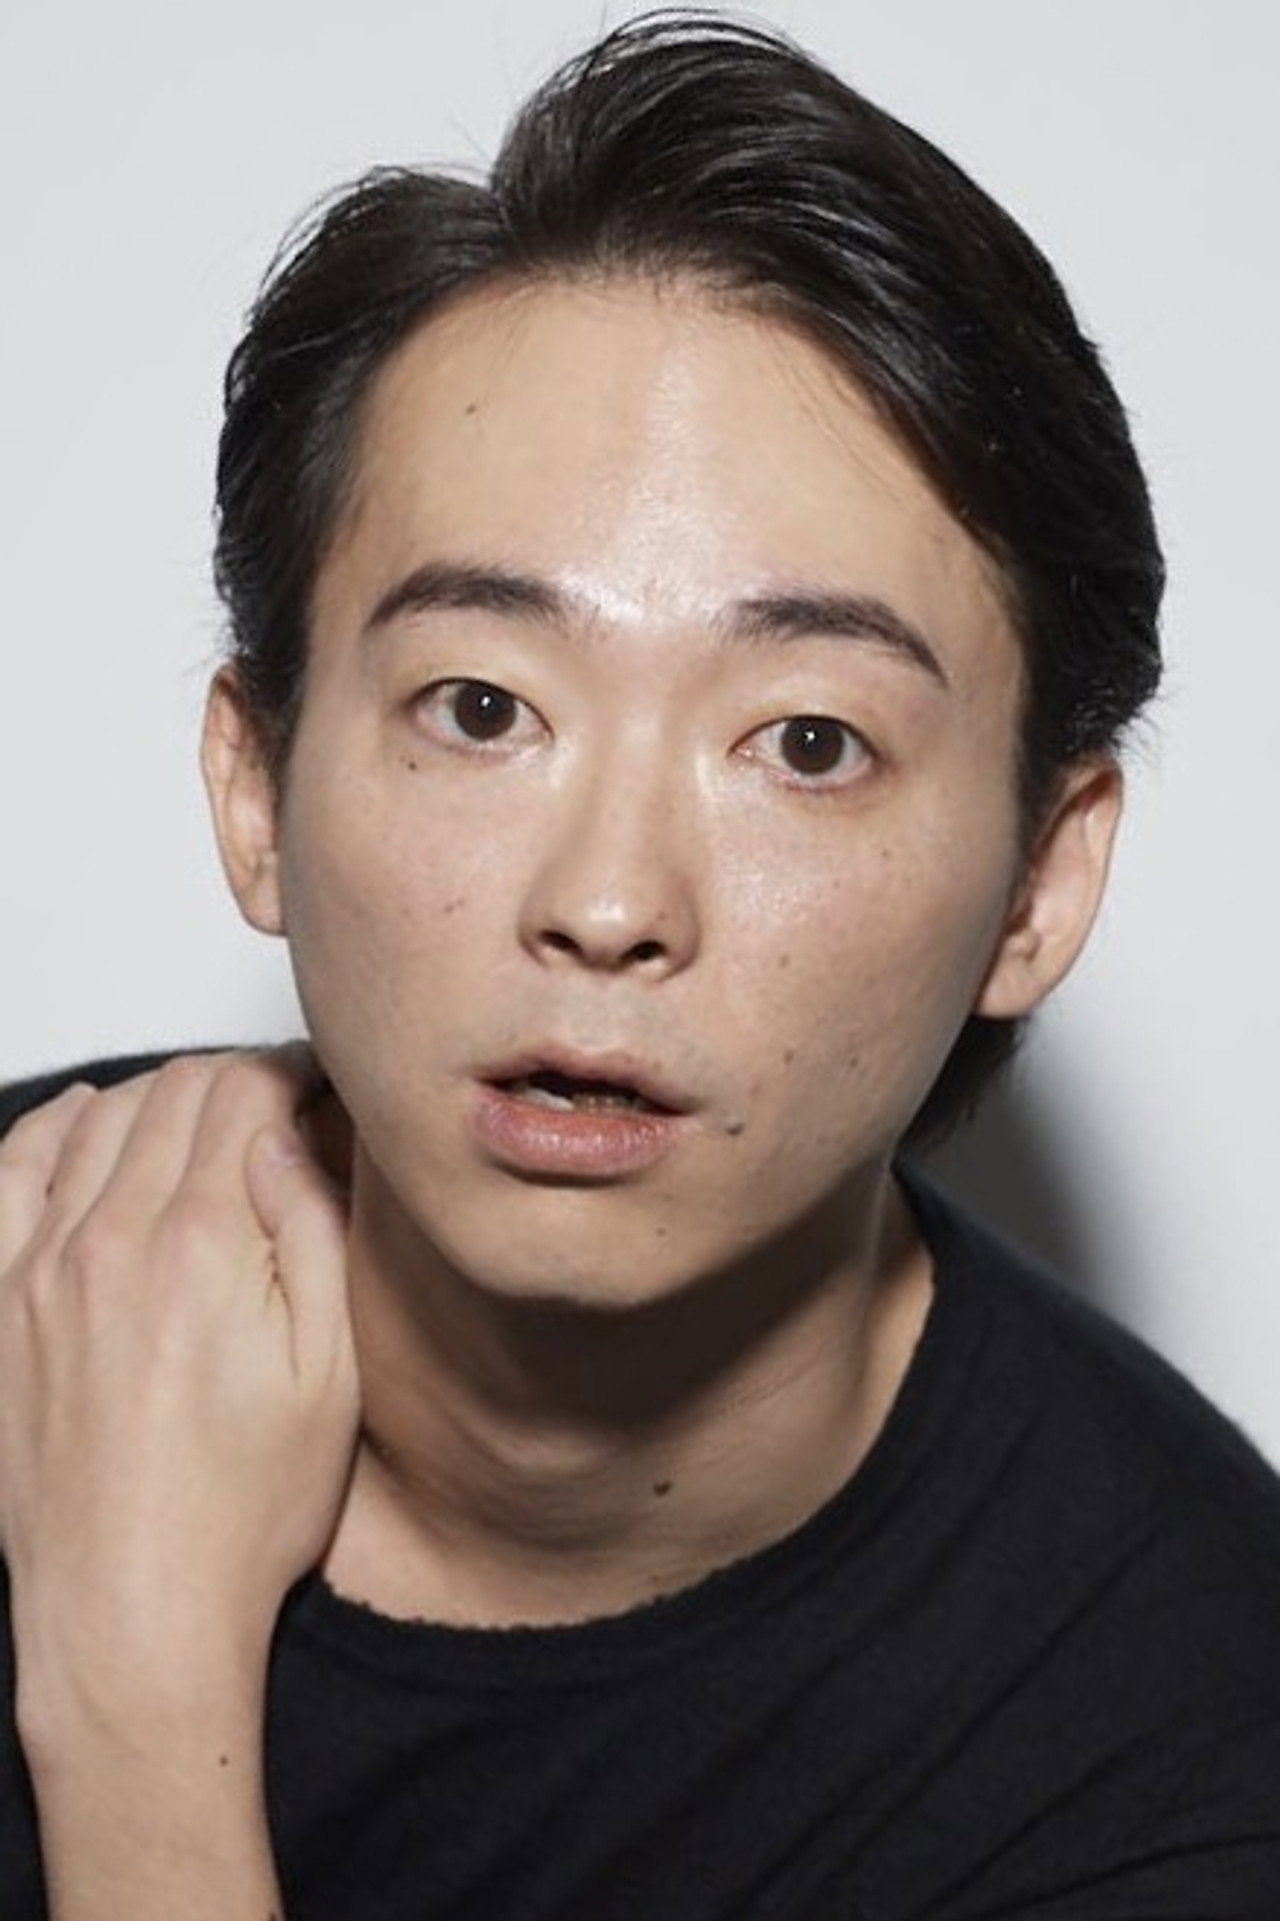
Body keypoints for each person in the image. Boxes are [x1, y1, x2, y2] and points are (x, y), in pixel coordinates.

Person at [1, 11, 1278, 1916]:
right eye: (482, 705)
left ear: (1040, 879)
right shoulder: (28, 1273)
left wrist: (132, 1701)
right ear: (256, 786)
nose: (609, 899)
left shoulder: (1183, 1738)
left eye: (808, 742)